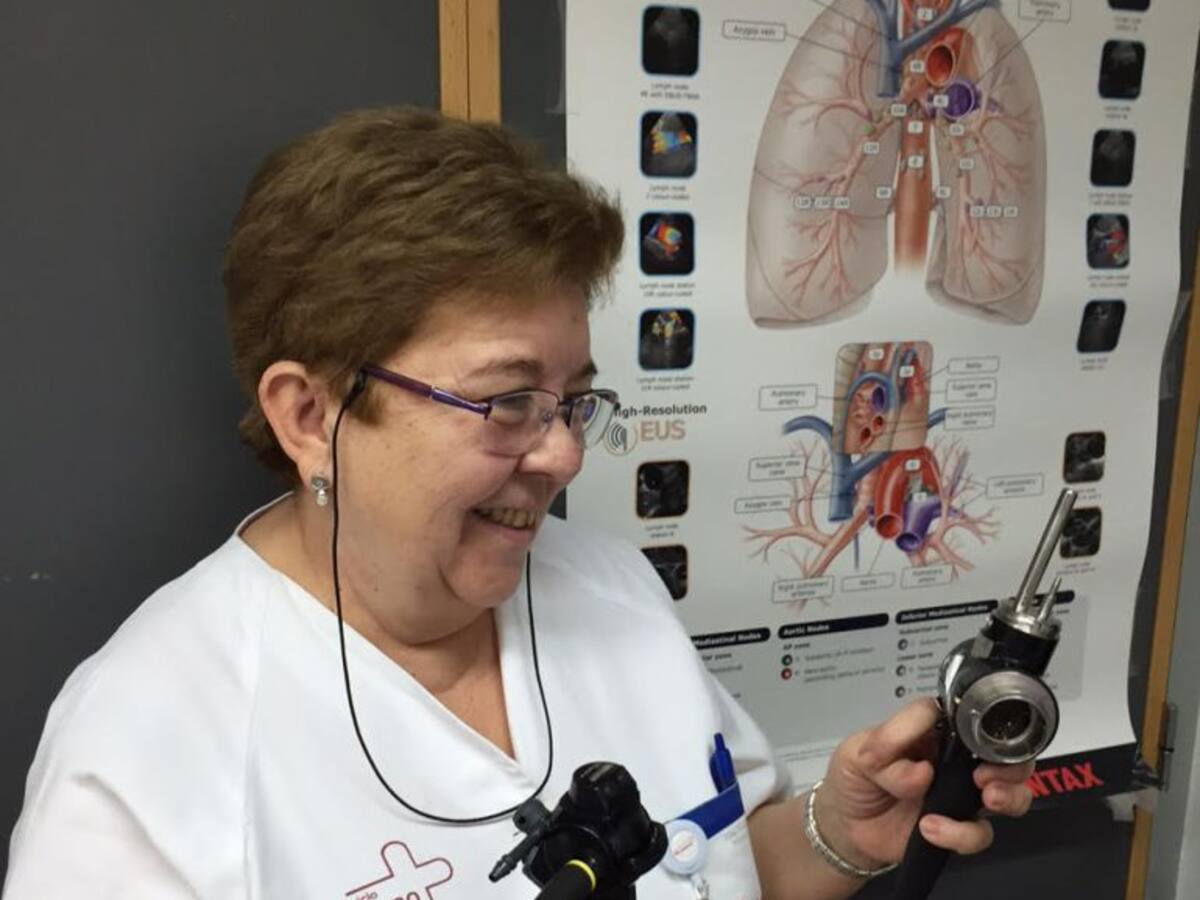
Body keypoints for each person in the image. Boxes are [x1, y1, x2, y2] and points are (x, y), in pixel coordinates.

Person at [3, 107, 1033, 899]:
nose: (565, 453)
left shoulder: (614, 592)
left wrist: (836, 835)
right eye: (505, 403)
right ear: (311, 415)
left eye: (574, 400)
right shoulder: (145, 749)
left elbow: (713, 863)